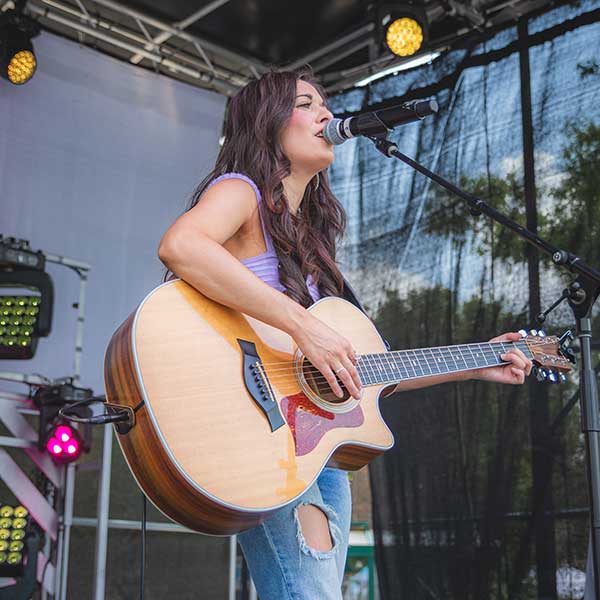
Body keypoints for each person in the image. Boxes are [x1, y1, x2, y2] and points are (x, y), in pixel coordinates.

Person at [157, 68, 533, 600]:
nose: (328, 115)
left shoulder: (311, 245)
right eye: (306, 104)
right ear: (266, 122)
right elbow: (182, 246)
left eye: (325, 104)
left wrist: (474, 364)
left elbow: (360, 375)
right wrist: (304, 325)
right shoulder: (240, 191)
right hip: (262, 437)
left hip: (319, 452)